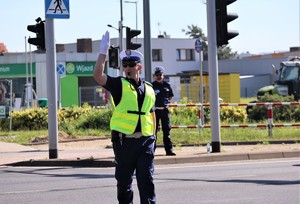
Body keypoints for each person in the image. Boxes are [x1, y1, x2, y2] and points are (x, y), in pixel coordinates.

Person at [93, 31, 156, 204]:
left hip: (145, 142)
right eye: (125, 64)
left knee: (147, 181)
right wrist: (103, 53)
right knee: (124, 183)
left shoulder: (149, 88)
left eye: (131, 64)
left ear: (139, 67)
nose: (127, 67)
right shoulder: (119, 85)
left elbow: (151, 113)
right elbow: (98, 76)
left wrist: (154, 137)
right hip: (124, 143)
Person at [152, 66, 176, 156]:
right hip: (155, 111)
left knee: (166, 131)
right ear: (154, 76)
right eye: (157, 75)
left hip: (165, 111)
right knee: (153, 132)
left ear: (163, 75)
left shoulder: (167, 85)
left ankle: (169, 151)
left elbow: (170, 96)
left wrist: (165, 102)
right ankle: (151, 151)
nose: (159, 76)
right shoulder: (152, 85)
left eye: (160, 74)